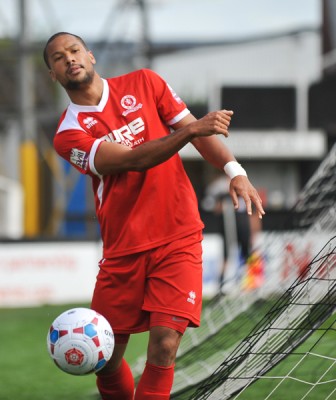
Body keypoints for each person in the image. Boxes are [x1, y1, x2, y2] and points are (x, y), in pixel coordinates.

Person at [43, 32, 265, 400]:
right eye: (57, 57)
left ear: (91, 56)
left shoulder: (145, 82)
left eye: (74, 50)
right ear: (53, 73)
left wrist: (235, 170)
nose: (68, 59)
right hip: (123, 250)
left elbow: (198, 134)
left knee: (164, 346)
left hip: (178, 236)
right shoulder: (68, 135)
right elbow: (134, 160)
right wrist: (192, 128)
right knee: (107, 359)